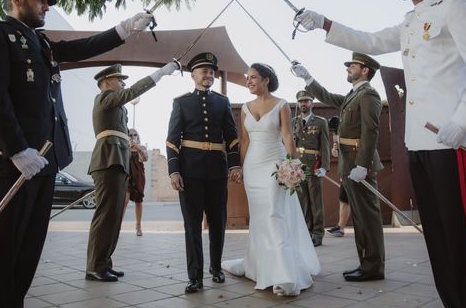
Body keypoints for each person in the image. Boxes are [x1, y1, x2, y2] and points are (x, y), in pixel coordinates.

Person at [294, 0, 466, 308]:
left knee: (462, 234)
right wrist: (324, 23)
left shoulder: (455, 8)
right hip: (420, 141)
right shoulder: (408, 23)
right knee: (437, 236)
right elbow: (370, 42)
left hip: (450, 140)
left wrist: (464, 121)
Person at [0, 0, 155, 307]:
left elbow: (84, 47)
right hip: (14, 161)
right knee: (2, 248)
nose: (45, 6)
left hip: (44, 160)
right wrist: (16, 149)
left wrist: (126, 27)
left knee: (28, 250)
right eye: (40, 0)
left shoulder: (42, 43)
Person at [222, 63, 320, 296]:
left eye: (254, 77)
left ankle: (286, 277)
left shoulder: (282, 105)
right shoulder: (245, 108)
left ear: (267, 80)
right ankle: (262, 267)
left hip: (275, 166)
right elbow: (244, 141)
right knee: (260, 219)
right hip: (252, 168)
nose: (249, 81)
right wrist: (240, 167)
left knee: (274, 215)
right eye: (248, 78)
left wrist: (293, 166)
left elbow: (287, 137)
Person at [293, 53, 385, 282]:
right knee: (360, 217)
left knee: (368, 217)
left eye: (352, 66)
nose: (348, 69)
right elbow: (326, 96)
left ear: (365, 71)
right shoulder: (353, 95)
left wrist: (363, 164)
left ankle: (373, 267)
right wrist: (308, 79)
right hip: (350, 163)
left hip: (359, 163)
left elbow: (371, 131)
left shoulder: (369, 95)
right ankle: (366, 264)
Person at [86, 62, 177, 282]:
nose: (123, 83)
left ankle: (104, 262)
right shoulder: (104, 98)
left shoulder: (116, 106)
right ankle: (95, 266)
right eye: (119, 80)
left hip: (118, 161)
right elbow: (132, 91)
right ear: (106, 82)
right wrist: (161, 73)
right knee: (106, 215)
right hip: (108, 161)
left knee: (114, 216)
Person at [166, 52, 243, 294]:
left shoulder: (223, 102)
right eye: (204, 71)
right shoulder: (181, 102)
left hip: (217, 171)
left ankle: (216, 268)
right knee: (192, 225)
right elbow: (172, 140)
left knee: (218, 222)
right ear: (194, 76)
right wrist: (173, 171)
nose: (208, 75)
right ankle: (195, 276)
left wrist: (234, 165)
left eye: (211, 71)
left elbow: (232, 138)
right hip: (189, 171)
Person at [291, 89, 330, 246]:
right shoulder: (293, 122)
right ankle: (306, 231)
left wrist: (325, 167)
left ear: (312, 103)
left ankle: (318, 233)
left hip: (314, 164)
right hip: (298, 165)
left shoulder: (320, 122)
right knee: (302, 200)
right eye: (301, 102)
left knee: (316, 201)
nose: (303, 104)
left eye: (306, 101)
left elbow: (325, 146)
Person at [326, 116, 351, 237]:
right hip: (344, 168)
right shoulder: (337, 133)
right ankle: (340, 227)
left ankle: (341, 227)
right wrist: (334, 148)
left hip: (353, 168)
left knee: (350, 199)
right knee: (344, 198)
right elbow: (335, 148)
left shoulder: (349, 130)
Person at [124, 128, 148, 236]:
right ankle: (117, 225)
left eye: (135, 134)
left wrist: (138, 149)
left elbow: (145, 158)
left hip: (138, 176)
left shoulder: (141, 147)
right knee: (125, 199)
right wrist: (127, 149)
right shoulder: (124, 147)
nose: (132, 136)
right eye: (130, 134)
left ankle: (138, 226)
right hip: (127, 176)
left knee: (139, 201)